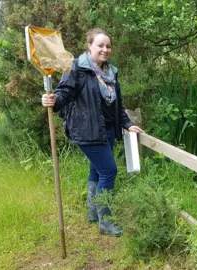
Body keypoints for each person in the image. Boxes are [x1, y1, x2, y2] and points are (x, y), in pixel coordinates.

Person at [41, 28, 143, 237]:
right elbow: (64, 93)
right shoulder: (77, 68)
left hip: (106, 130)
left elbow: (117, 104)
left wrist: (126, 124)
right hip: (86, 130)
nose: (105, 49)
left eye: (108, 46)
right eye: (100, 45)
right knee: (109, 171)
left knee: (97, 171)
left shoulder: (111, 72)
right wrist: (52, 100)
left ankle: (93, 213)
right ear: (89, 46)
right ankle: (105, 220)